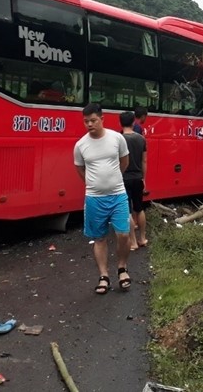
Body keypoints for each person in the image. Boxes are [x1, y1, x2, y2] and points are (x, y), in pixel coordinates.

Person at [73, 103, 132, 294]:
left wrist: (113, 179)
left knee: (123, 234)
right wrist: (93, 184)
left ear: (102, 119)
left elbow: (125, 162)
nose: (89, 124)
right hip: (94, 198)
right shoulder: (81, 145)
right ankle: (104, 276)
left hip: (118, 195)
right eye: (86, 121)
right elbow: (80, 169)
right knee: (99, 239)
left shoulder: (117, 138)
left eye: (93, 120)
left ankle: (122, 268)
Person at [119, 111, 148, 250]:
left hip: (124, 178)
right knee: (139, 208)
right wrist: (144, 178)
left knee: (127, 211)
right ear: (133, 122)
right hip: (138, 178)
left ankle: (133, 242)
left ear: (121, 123)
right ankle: (142, 239)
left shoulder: (118, 139)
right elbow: (144, 161)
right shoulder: (141, 139)